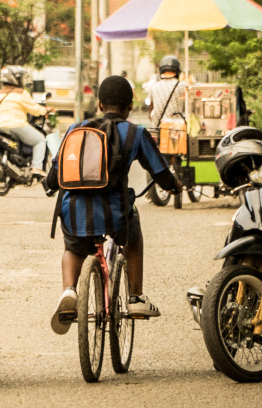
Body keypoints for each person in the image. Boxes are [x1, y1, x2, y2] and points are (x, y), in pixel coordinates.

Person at [44, 76, 181, 335]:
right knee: (133, 232)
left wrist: (49, 184)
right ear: (130, 106)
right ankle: (136, 297)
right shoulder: (136, 133)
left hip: (74, 212)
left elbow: (53, 177)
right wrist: (174, 185)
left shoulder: (75, 129)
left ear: (99, 104)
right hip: (115, 213)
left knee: (73, 248)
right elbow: (161, 172)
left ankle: (69, 290)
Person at [0, 65, 52, 176]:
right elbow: (34, 109)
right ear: (16, 79)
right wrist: (45, 110)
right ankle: (36, 167)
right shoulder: (21, 93)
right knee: (40, 140)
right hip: (17, 125)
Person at [146, 56, 188, 126]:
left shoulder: (154, 86)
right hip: (176, 125)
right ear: (177, 71)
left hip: (158, 124)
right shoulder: (182, 85)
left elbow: (151, 106)